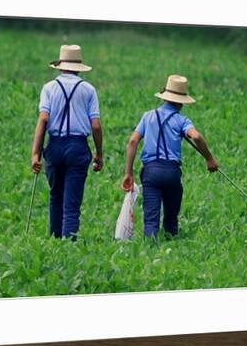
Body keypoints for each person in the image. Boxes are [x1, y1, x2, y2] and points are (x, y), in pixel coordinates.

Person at [121, 75, 218, 238]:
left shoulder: (148, 116)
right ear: (181, 101)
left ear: (165, 97)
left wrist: (128, 173)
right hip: (172, 172)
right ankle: (171, 243)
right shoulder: (182, 120)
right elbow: (197, 137)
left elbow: (132, 142)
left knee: (151, 220)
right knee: (171, 219)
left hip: (151, 172)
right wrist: (209, 158)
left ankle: (150, 251)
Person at [31, 45, 104, 240]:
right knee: (71, 204)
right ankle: (68, 247)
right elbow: (95, 125)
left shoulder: (48, 88)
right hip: (78, 147)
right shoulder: (88, 90)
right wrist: (99, 154)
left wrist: (35, 153)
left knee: (56, 197)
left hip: (54, 147)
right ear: (79, 67)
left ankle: (55, 242)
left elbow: (43, 119)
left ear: (60, 66)